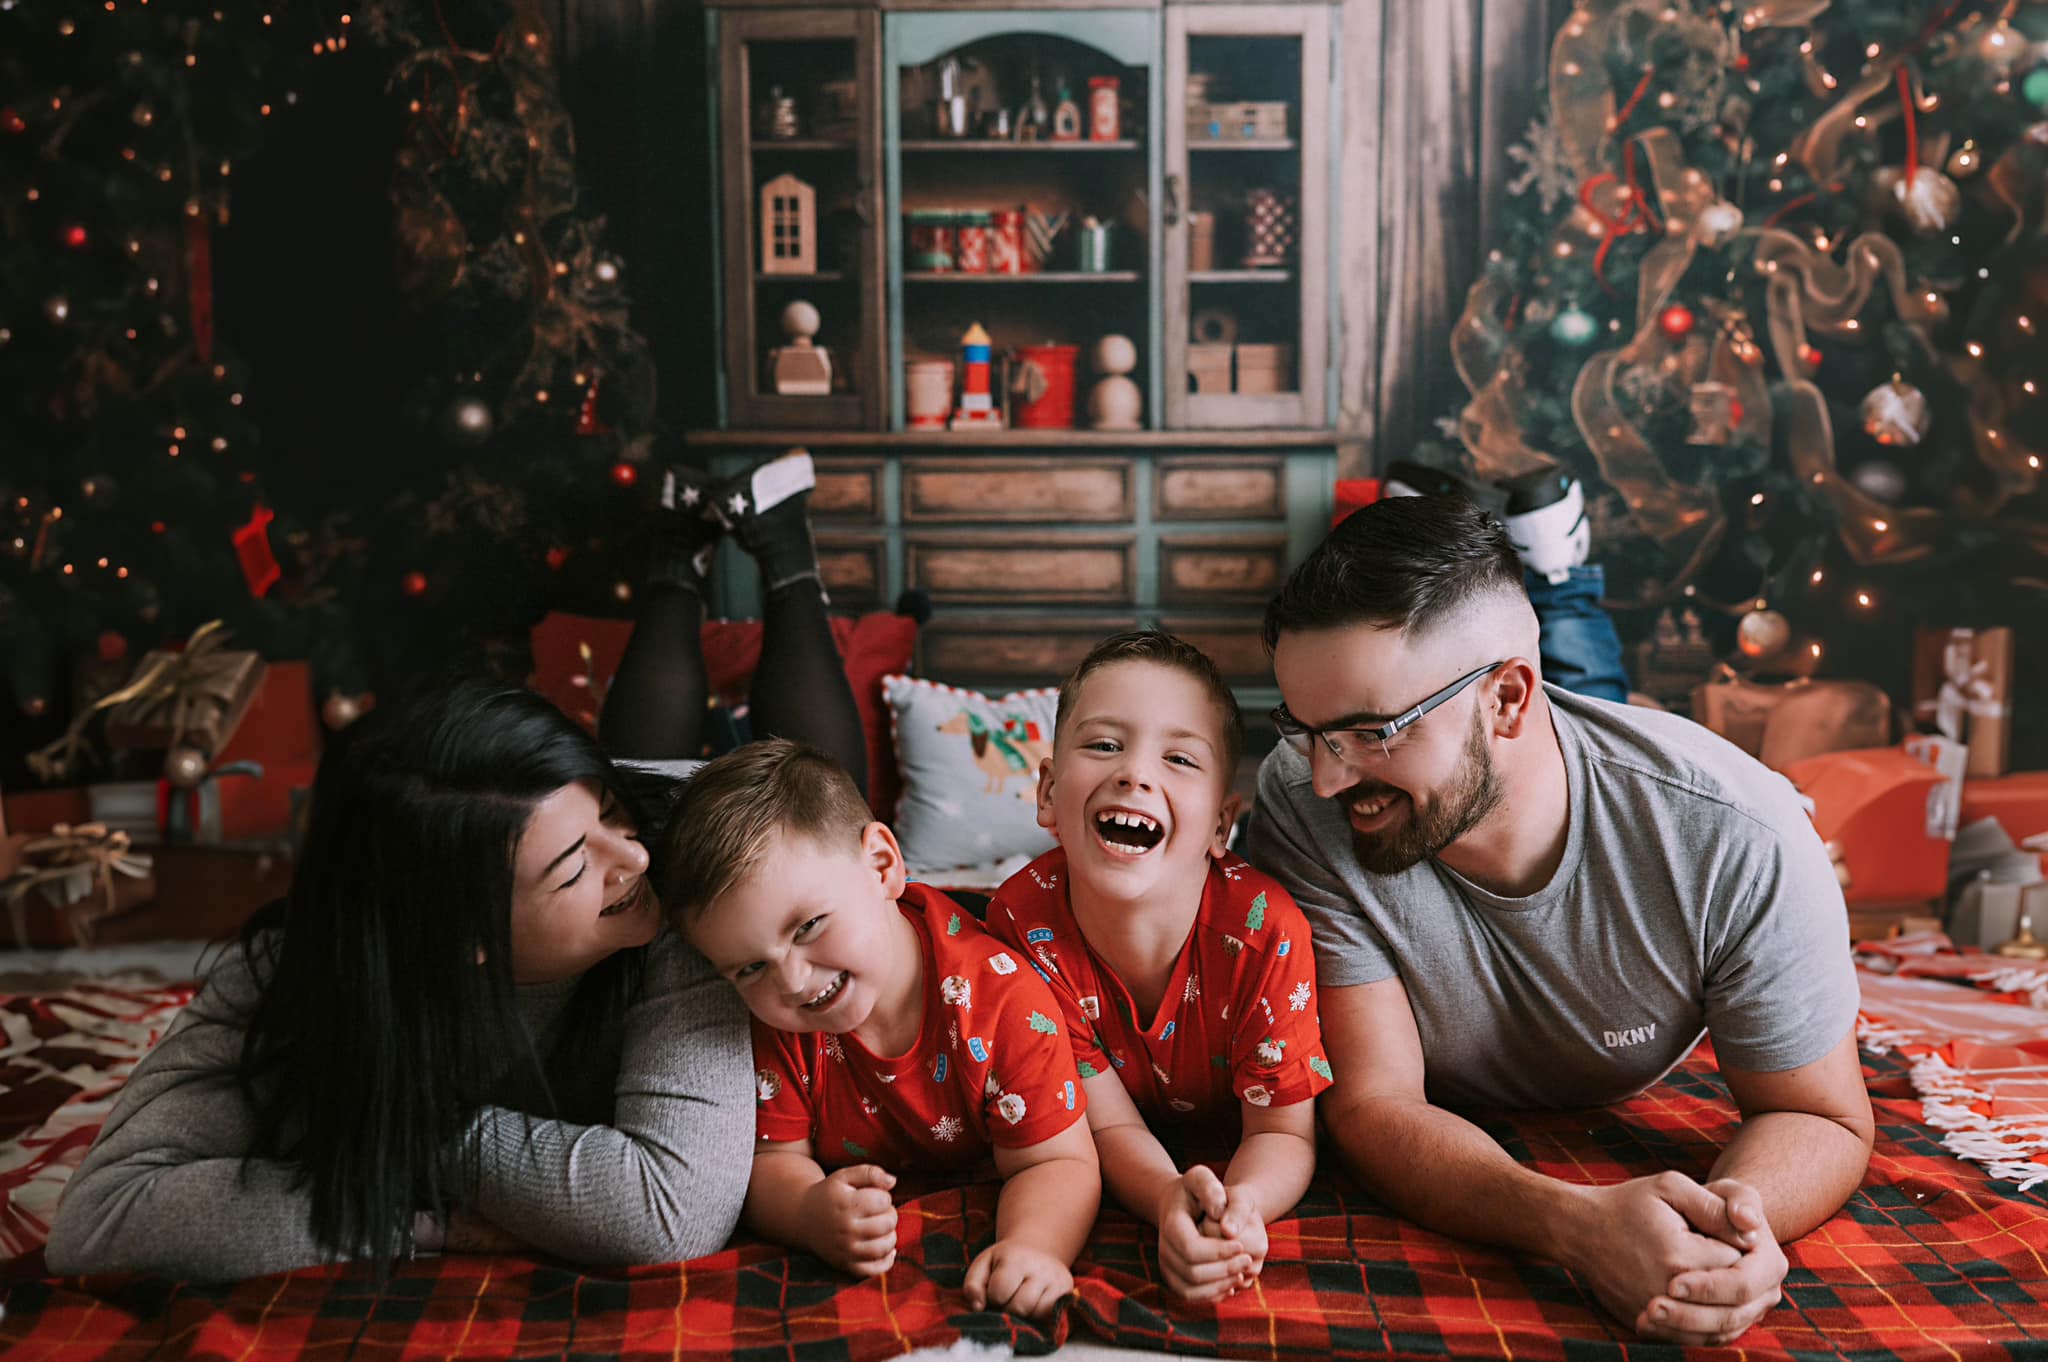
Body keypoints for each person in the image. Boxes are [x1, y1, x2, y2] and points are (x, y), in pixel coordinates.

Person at [46, 450, 868, 1279]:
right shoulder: (309, 968)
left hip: (690, 805)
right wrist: (431, 1222)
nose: (634, 858)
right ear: (459, 935)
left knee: (809, 779)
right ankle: (677, 557)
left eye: (607, 816)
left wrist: (404, 1128)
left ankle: (726, 562)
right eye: (572, 870)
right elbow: (100, 1220)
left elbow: (668, 1213)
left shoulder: (678, 899)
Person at [1245, 495, 1872, 1347]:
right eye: (1306, 730)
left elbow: (1821, 1115)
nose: (1327, 778)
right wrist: (1579, 1227)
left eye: (1372, 732)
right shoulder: (1301, 802)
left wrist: (1722, 1234)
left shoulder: (1735, 832)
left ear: (1507, 698)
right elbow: (1376, 1105)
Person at [665, 740, 1099, 1320]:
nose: (792, 980)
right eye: (750, 968)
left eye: (808, 926)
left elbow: (1057, 1161)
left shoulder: (1005, 1001)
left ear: (881, 866)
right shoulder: (777, 1024)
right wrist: (807, 1211)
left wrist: (1033, 1245)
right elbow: (771, 1160)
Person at [985, 631, 1331, 1303]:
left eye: (1178, 758)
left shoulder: (1266, 932)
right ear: (1048, 793)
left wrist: (1237, 1211)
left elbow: (1284, 1132)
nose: (1135, 775)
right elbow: (1109, 1125)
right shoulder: (1022, 927)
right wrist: (1168, 1196)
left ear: (1221, 827)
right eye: (1104, 745)